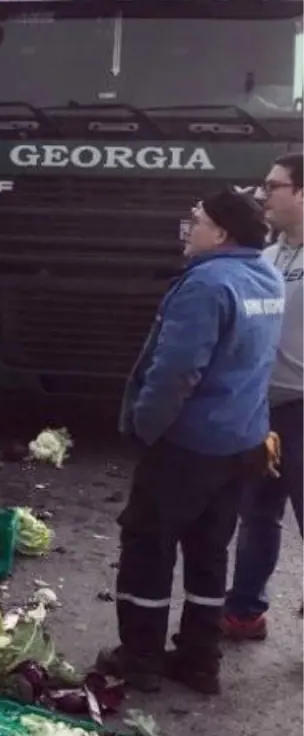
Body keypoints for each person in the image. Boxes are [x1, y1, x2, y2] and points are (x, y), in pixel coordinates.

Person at [109, 187, 284, 694]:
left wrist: (146, 425)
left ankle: (140, 658)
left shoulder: (208, 284)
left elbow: (176, 372)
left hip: (188, 445)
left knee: (149, 544)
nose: (189, 229)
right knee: (209, 551)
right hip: (240, 441)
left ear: (222, 232)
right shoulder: (265, 276)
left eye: (197, 220)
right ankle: (199, 659)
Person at [224, 153, 304, 639]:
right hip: (262, 409)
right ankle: (244, 613)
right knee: (257, 516)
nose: (262, 194)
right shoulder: (268, 256)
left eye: (273, 186)